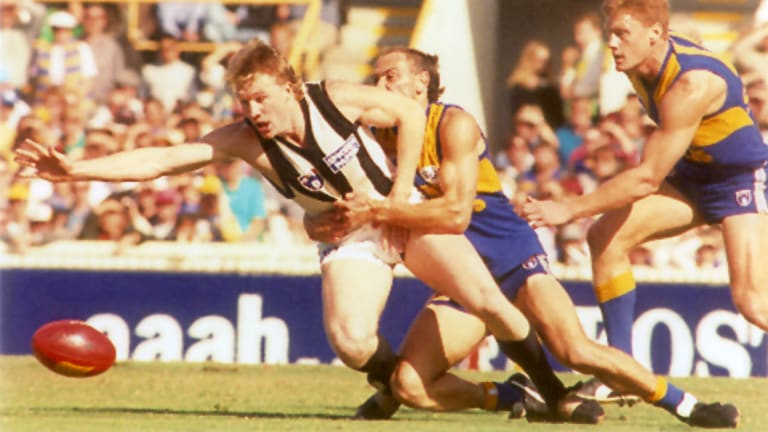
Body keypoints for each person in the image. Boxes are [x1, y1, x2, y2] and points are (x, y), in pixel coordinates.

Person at [14, 38, 587, 421]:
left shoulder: (334, 98)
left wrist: (395, 195)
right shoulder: (245, 138)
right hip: (349, 235)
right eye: (244, 102)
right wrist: (77, 170)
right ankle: (459, 391)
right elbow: (164, 159)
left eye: (260, 98)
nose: (254, 112)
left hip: (396, 212)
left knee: (493, 304)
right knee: (351, 341)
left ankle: (555, 395)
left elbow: (411, 113)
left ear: (288, 85)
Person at [306, 46, 739, 428]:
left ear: (421, 83)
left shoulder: (453, 124)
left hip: (511, 259)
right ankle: (514, 396)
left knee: (575, 349)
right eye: (374, 78)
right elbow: (327, 199)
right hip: (465, 280)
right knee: (409, 385)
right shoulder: (372, 139)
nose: (378, 85)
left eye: (390, 76)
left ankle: (687, 406)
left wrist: (385, 209)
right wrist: (315, 224)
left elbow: (456, 215)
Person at [521, 0, 768, 407]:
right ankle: (621, 371)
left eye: (622, 33)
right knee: (605, 237)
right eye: (610, 33)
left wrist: (567, 208)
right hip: (693, 175)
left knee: (754, 303)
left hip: (738, 180)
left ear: (655, 34)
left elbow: (646, 178)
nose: (612, 44)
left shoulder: (690, 84)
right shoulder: (641, 63)